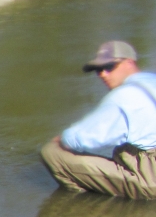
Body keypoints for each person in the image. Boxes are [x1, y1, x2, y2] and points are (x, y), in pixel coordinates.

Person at [41, 40, 156, 199]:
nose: (103, 74)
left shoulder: (123, 96)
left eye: (109, 67)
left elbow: (86, 138)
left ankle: (89, 205)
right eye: (98, 70)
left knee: (52, 153)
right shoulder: (152, 79)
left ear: (129, 62)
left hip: (152, 178)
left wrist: (63, 139)